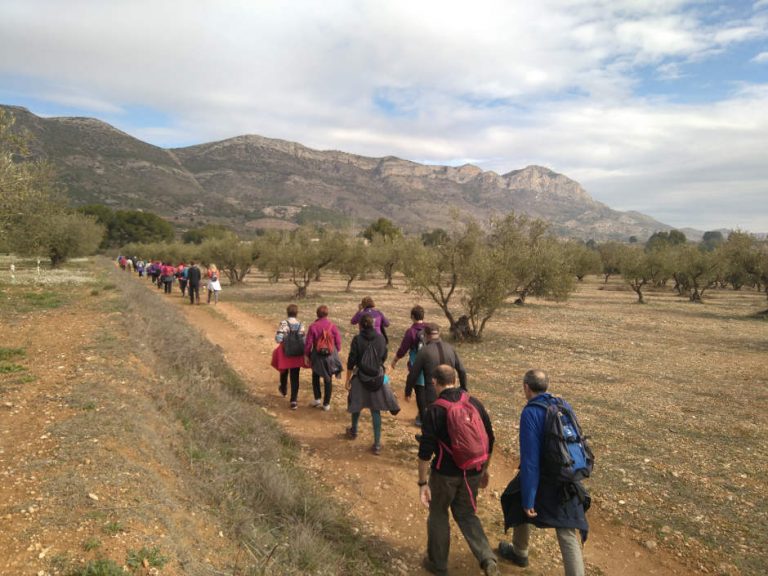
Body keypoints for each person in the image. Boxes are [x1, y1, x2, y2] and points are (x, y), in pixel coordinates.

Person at [498, 369, 588, 576]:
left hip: (546, 477)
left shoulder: (530, 412)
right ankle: (519, 552)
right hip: (568, 474)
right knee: (566, 527)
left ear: (526, 387)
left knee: (520, 498)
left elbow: (530, 460)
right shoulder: (563, 405)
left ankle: (520, 552)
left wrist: (529, 499)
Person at [417, 365, 498, 576]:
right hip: (473, 471)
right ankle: (487, 558)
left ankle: (438, 564)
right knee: (467, 514)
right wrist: (484, 470)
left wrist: (422, 483)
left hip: (445, 474)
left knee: (438, 514)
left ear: (435, 382)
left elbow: (425, 451)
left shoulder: (434, 410)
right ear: (455, 379)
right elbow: (490, 439)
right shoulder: (474, 403)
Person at [344, 314, 399, 455]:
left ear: (360, 325)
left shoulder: (357, 339)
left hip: (360, 377)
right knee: (375, 410)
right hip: (377, 379)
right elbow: (384, 356)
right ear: (374, 325)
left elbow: (351, 360)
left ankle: (354, 431)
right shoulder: (381, 339)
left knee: (356, 404)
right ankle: (377, 444)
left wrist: (347, 379)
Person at [406, 323, 468, 421]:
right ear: (439, 334)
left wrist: (408, 391)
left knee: (433, 422)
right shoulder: (450, 348)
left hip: (432, 392)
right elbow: (462, 370)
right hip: (450, 392)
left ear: (426, 336)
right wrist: (464, 388)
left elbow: (413, 374)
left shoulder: (424, 351)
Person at [391, 305, 427, 426]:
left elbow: (403, 349)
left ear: (412, 316)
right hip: (432, 363)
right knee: (429, 391)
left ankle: (423, 419)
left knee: (420, 392)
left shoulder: (411, 332)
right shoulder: (429, 329)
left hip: (417, 364)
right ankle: (424, 414)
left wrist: (395, 360)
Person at [303, 305, 343, 410]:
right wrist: (335, 352)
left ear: (317, 314)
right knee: (328, 378)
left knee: (315, 375)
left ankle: (317, 399)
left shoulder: (313, 326)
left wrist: (307, 355)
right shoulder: (332, 326)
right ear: (327, 314)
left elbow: (308, 343)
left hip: (317, 356)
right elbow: (338, 342)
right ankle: (326, 404)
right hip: (330, 356)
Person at [271, 304, 307, 410]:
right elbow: (304, 340)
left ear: (287, 312)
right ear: (297, 313)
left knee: (284, 371)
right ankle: (294, 401)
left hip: (285, 352)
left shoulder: (283, 323)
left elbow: (278, 339)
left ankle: (283, 388)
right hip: (297, 354)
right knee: (295, 376)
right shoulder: (301, 324)